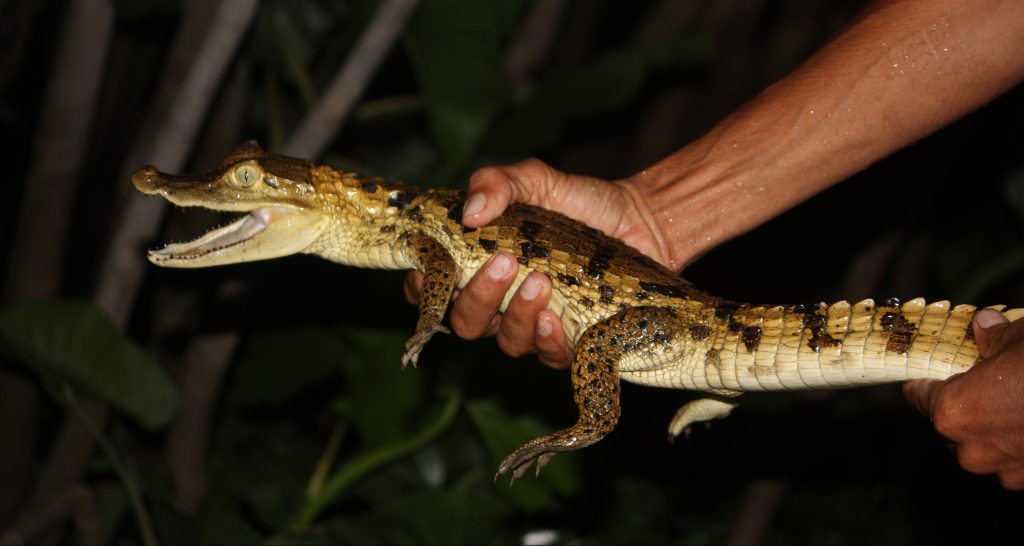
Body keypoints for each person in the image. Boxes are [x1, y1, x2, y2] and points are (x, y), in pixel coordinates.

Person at [404, 0, 1024, 489]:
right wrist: (657, 212)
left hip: (682, 327)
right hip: (688, 322)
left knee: (602, 342)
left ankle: (600, 419)